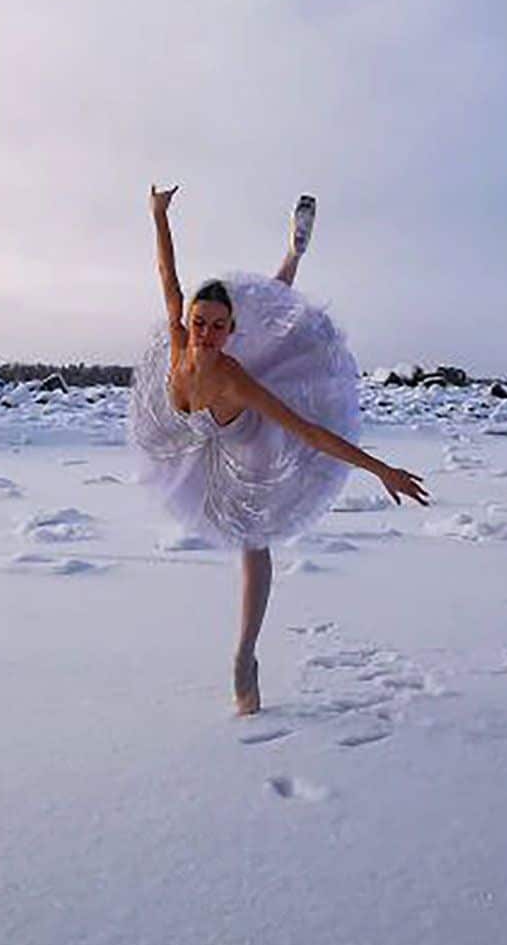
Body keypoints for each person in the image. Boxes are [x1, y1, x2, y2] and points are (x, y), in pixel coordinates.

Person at [128, 184, 428, 715]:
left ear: (228, 332)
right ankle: (292, 256)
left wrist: (381, 469)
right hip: (201, 438)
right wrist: (158, 215)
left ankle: (245, 655)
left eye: (217, 328)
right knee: (272, 325)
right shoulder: (178, 344)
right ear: (188, 320)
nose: (205, 334)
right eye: (199, 323)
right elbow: (167, 275)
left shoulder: (234, 377)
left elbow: (308, 432)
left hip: (252, 444)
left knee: (252, 537)